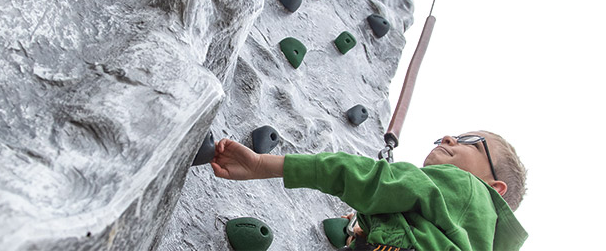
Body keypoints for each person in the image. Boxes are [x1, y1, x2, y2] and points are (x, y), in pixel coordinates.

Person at [211, 132, 528, 250]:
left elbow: (372, 179)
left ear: (493, 188)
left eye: (469, 141)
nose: (448, 138)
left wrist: (265, 165)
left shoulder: (468, 188)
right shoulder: (462, 237)